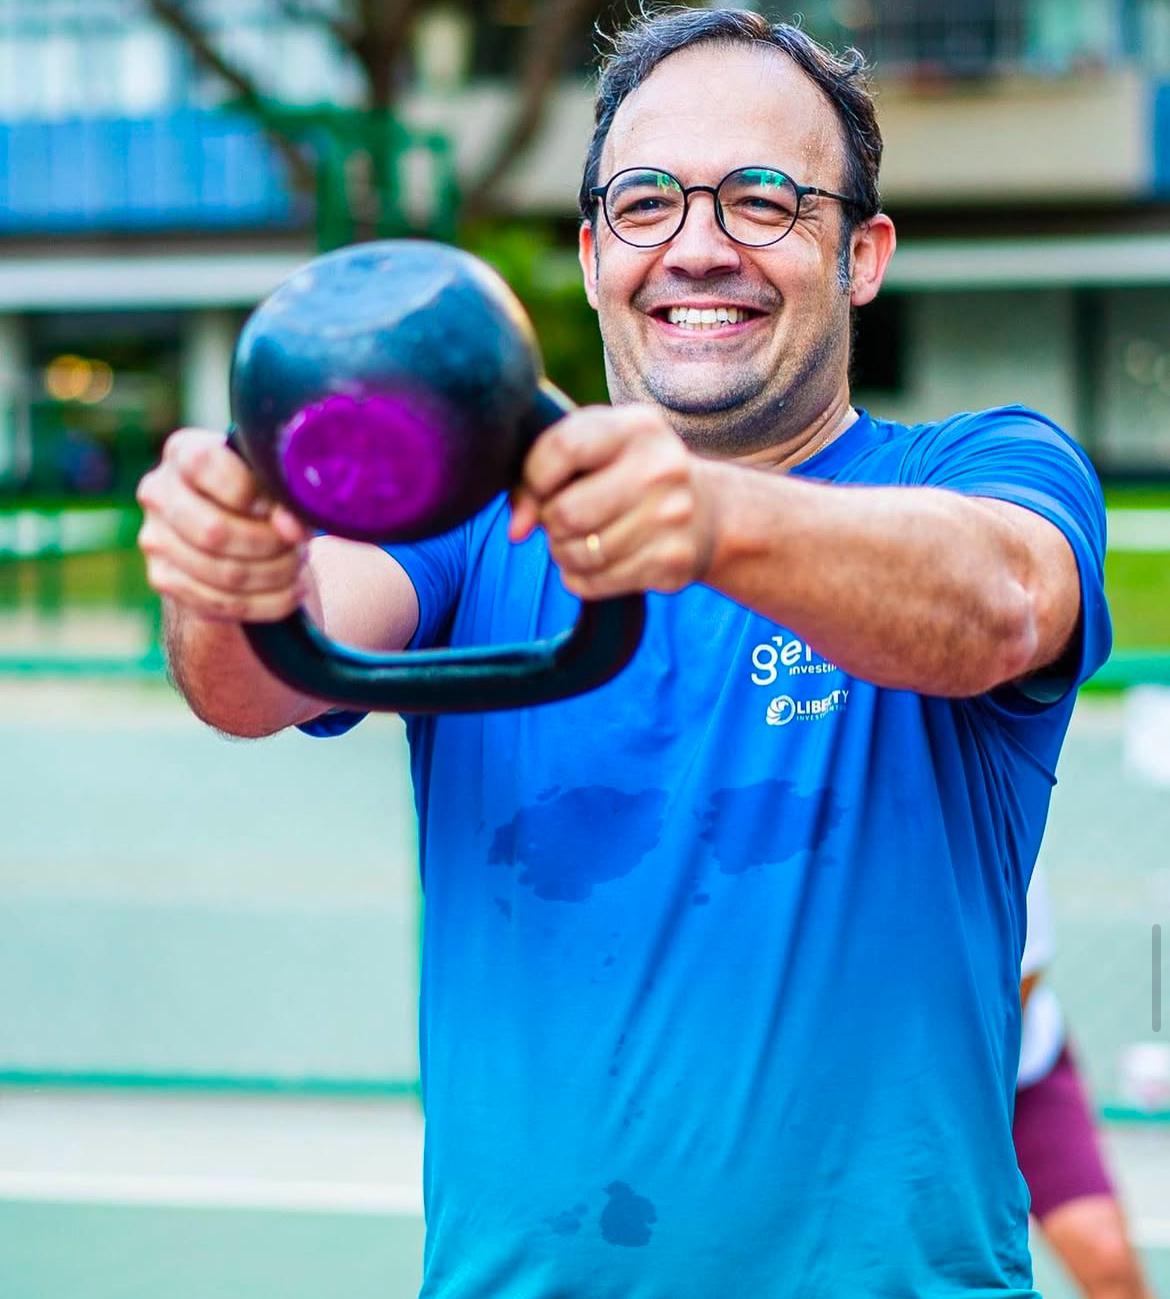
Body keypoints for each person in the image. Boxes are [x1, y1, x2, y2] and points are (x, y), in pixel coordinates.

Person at [136, 9, 1112, 1297]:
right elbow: (253, 680)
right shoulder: (472, 514)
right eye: (648, 202)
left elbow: (1001, 599)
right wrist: (226, 575)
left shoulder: (984, 466)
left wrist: (706, 517)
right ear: (596, 253)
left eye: (763, 200)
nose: (698, 247)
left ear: (862, 255)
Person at [1016, 870, 1155, 1299]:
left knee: (1108, 1260)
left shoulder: (993, 834)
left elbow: (1021, 981)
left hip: (1021, 1077)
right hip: (900, 1093)